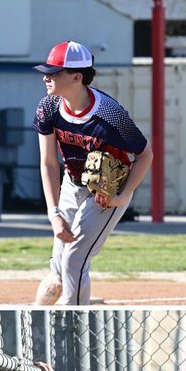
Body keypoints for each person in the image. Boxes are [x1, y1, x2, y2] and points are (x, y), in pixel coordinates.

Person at [32, 41, 152, 306]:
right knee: (57, 276)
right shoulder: (48, 108)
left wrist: (123, 196)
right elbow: (49, 163)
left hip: (105, 193)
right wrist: (54, 213)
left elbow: (145, 155)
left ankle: (71, 318)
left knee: (74, 259)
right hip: (70, 185)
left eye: (54, 72)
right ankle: (55, 308)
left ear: (77, 77)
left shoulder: (110, 115)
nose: (46, 77)